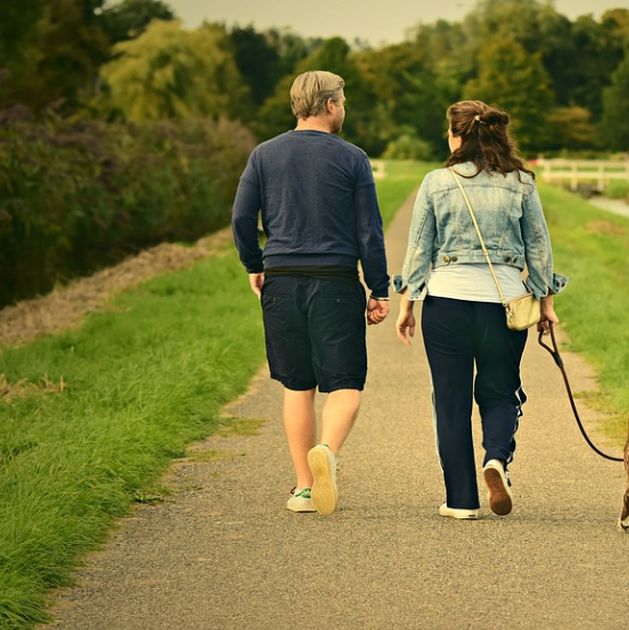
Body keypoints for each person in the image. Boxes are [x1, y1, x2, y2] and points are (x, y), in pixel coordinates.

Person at [394, 100, 567, 520]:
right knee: (500, 390)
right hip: (503, 305)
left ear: (457, 136)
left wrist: (408, 302)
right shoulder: (521, 183)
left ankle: (461, 501)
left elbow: (420, 248)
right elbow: (538, 247)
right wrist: (545, 302)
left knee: (450, 401)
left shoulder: (436, 182)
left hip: (446, 304)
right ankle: (496, 458)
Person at [231, 70, 390, 516]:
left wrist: (254, 264)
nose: (343, 108)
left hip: (281, 279)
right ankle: (328, 450)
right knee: (344, 384)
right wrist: (379, 288)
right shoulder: (353, 158)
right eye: (342, 101)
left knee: (298, 386)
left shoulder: (264, 155)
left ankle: (304, 487)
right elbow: (368, 231)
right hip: (335, 282)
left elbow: (242, 219)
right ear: (329, 106)